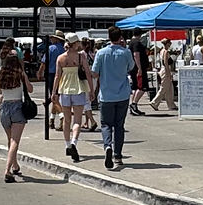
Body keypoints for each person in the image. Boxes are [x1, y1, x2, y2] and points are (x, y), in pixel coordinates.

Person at [91, 26, 135, 170]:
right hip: (122, 94)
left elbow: (95, 73)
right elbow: (131, 67)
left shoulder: (101, 53)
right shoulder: (126, 52)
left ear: (109, 37)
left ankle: (107, 146)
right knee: (119, 126)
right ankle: (118, 155)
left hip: (106, 94)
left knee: (106, 124)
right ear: (120, 37)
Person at [51, 33, 94, 162]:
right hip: (79, 89)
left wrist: (54, 92)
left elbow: (57, 76)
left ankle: (67, 145)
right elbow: (87, 73)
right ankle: (74, 142)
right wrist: (91, 90)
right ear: (76, 43)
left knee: (66, 120)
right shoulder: (81, 57)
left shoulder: (61, 58)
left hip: (64, 89)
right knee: (77, 120)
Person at [0, 54, 33, 183]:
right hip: (17, 106)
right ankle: (7, 170)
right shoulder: (20, 73)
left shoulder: (1, 72)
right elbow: (30, 89)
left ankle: (15, 166)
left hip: (4, 106)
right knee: (15, 141)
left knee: (10, 140)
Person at [37, 31, 66, 129]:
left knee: (54, 97)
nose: (51, 39)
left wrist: (40, 72)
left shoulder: (50, 48)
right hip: (63, 74)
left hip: (51, 73)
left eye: (52, 37)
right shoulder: (64, 49)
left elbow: (44, 62)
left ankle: (62, 116)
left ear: (56, 39)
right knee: (56, 96)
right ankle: (52, 120)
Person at [128, 28, 151, 116]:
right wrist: (139, 68)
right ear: (140, 34)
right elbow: (136, 55)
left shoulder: (131, 42)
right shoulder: (136, 43)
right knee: (142, 87)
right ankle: (134, 104)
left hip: (134, 68)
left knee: (136, 87)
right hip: (138, 68)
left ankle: (133, 105)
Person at [150, 38, 176, 111]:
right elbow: (166, 63)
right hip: (165, 71)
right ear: (167, 43)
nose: (170, 44)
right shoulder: (166, 52)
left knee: (169, 88)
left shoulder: (161, 51)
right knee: (164, 87)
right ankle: (154, 102)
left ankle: (171, 104)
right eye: (169, 43)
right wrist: (169, 73)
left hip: (163, 70)